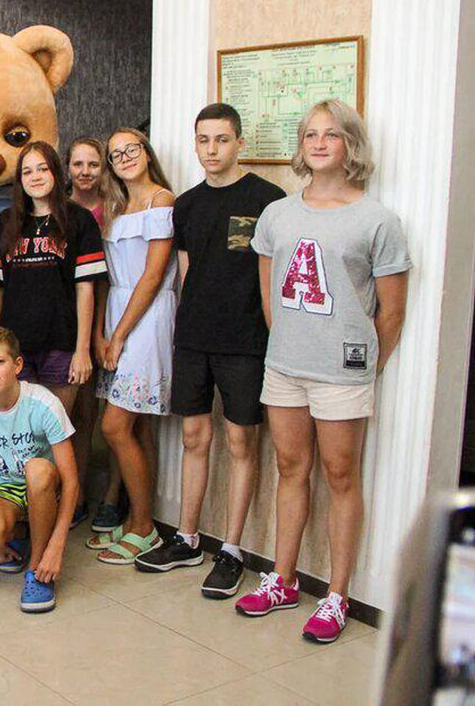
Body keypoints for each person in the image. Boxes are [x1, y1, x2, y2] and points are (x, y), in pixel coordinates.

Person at [236, 99, 409, 644]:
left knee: (340, 476)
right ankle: (283, 580)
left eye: (330, 134)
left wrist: (364, 368)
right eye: (310, 134)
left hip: (342, 373)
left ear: (349, 144)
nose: (318, 143)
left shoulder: (377, 220)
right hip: (285, 367)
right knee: (290, 468)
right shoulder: (278, 214)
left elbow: (391, 312)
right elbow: (269, 293)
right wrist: (289, 345)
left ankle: (336, 595)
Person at [134, 104, 285, 599]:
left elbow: (275, 277)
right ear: (195, 144)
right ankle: (188, 538)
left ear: (240, 143)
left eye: (222, 139)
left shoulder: (269, 201)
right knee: (194, 438)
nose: (212, 149)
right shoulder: (187, 204)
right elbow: (185, 272)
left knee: (241, 443)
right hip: (193, 338)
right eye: (204, 140)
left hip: (246, 342)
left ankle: (233, 550)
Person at [0, 139, 104, 442]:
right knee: (20, 433)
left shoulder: (79, 220)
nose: (35, 176)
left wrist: (82, 350)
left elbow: (86, 289)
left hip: (62, 343)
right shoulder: (4, 223)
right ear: (20, 180)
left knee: (55, 433)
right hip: (14, 347)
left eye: (42, 169)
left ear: (56, 173)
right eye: (27, 171)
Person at [90, 127, 176, 565]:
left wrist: (121, 334)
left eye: (131, 149)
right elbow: (107, 277)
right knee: (136, 429)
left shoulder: (162, 201)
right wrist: (101, 333)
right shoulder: (114, 208)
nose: (125, 157)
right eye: (116, 153)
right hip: (117, 311)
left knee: (115, 426)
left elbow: (153, 275)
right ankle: (136, 520)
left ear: (146, 152)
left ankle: (145, 527)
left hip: (148, 316)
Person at [0, 328, 78, 613]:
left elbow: (71, 481)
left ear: (17, 365)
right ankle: (18, 533)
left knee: (36, 468)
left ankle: (37, 569)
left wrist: (57, 545)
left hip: (45, 483)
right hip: (4, 486)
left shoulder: (44, 403)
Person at [66, 136, 120, 533]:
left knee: (102, 417)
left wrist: (97, 333)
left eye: (93, 164)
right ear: (67, 169)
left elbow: (100, 281)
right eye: (78, 164)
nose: (85, 172)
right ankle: (74, 495)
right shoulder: (57, 210)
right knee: (71, 415)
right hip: (65, 319)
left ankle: (108, 496)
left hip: (108, 314)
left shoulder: (114, 209)